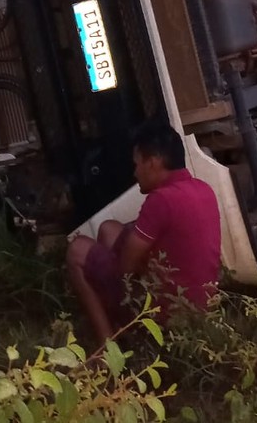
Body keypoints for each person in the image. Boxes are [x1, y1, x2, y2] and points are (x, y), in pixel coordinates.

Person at [65, 121, 222, 345]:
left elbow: (125, 269)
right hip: (199, 307)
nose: (135, 172)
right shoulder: (203, 189)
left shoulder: (161, 200)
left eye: (137, 164)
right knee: (108, 229)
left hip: (165, 314)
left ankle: (107, 347)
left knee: (77, 250)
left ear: (153, 162)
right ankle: (119, 326)